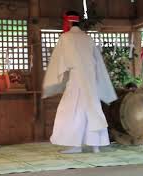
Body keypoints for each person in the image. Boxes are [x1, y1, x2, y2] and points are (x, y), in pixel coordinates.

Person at [42, 10, 117, 153]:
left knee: (71, 110)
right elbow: (97, 61)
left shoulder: (65, 38)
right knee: (92, 107)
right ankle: (96, 145)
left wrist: (56, 80)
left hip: (76, 77)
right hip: (90, 78)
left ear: (68, 22)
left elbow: (59, 61)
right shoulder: (88, 38)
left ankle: (76, 145)